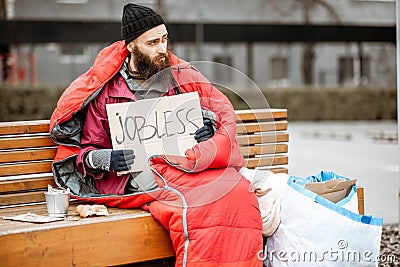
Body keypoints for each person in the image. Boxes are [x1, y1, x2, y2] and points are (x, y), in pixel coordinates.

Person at [50, 3, 262, 267]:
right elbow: (87, 152)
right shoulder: (106, 92)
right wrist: (106, 159)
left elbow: (209, 113)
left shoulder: (177, 78)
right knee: (203, 201)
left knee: (236, 188)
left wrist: (209, 131)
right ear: (131, 46)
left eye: (164, 39)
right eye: (152, 42)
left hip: (184, 166)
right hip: (140, 177)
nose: (162, 48)